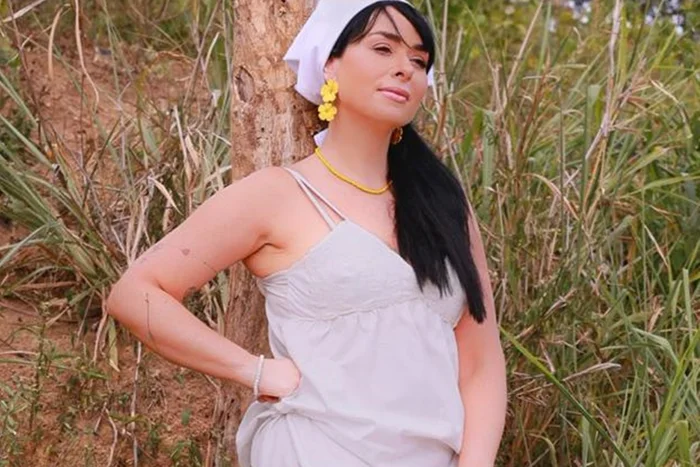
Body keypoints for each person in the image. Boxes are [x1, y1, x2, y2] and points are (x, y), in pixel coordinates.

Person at [106, 0, 507, 465]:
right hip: (314, 448)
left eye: (419, 61)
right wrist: (254, 370)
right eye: (383, 49)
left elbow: (480, 365)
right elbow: (136, 293)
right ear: (329, 64)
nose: (405, 69)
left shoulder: (443, 205)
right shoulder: (279, 194)